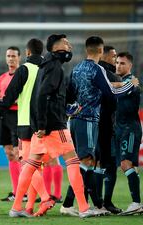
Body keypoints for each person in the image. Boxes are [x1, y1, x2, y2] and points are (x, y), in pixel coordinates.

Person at [9, 34, 100, 218]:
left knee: (30, 164)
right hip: (53, 126)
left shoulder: (46, 66)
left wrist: (63, 109)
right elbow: (42, 95)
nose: (69, 46)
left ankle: (17, 207)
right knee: (73, 161)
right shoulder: (54, 67)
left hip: (43, 125)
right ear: (56, 47)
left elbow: (46, 96)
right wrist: (43, 124)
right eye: (66, 43)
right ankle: (83, 208)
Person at [62, 36, 137, 216]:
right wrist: (130, 85)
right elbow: (111, 92)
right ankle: (69, 204)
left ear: (87, 49)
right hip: (88, 119)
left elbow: (69, 94)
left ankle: (90, 203)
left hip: (74, 120)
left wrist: (71, 110)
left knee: (86, 161)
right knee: (86, 161)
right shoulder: (97, 69)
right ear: (101, 51)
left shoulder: (77, 68)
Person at [0, 38, 55, 216]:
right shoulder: (49, 69)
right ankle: (27, 207)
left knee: (27, 164)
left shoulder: (24, 69)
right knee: (35, 165)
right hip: (46, 125)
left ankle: (45, 197)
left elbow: (9, 97)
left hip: (26, 123)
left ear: (26, 53)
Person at [114, 52, 143, 215]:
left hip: (129, 129)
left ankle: (136, 203)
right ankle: (137, 203)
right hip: (120, 128)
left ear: (130, 66)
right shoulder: (122, 82)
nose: (118, 65)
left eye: (122, 63)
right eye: (117, 62)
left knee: (126, 164)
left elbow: (113, 92)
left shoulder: (132, 84)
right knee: (129, 166)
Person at [96, 46, 122, 214]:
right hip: (106, 127)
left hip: (93, 126)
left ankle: (97, 203)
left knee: (93, 165)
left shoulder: (95, 72)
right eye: (113, 56)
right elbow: (114, 103)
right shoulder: (108, 75)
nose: (115, 60)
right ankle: (106, 203)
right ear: (104, 55)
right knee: (110, 165)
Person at [0, 46, 23, 202]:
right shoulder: (2, 78)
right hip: (4, 115)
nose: (11, 58)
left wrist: (10, 100)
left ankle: (24, 192)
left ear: (19, 58)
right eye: (8, 56)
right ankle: (16, 191)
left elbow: (25, 97)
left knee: (19, 154)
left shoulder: (22, 75)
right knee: (9, 153)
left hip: (17, 115)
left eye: (13, 56)